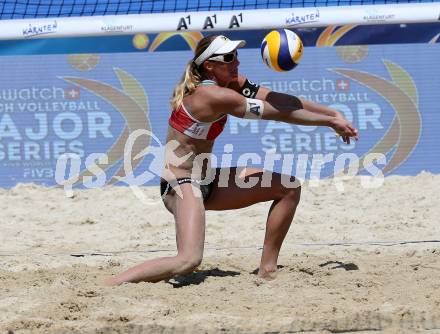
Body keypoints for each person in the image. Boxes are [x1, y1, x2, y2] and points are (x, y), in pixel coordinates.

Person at [104, 34, 358, 286]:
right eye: (227, 57)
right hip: (181, 185)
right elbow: (276, 113)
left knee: (289, 187)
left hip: (209, 180)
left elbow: (277, 99)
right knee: (188, 261)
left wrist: (330, 112)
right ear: (209, 66)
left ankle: (267, 270)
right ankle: (110, 284)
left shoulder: (229, 84)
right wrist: (329, 122)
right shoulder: (212, 96)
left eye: (236, 55)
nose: (235, 61)